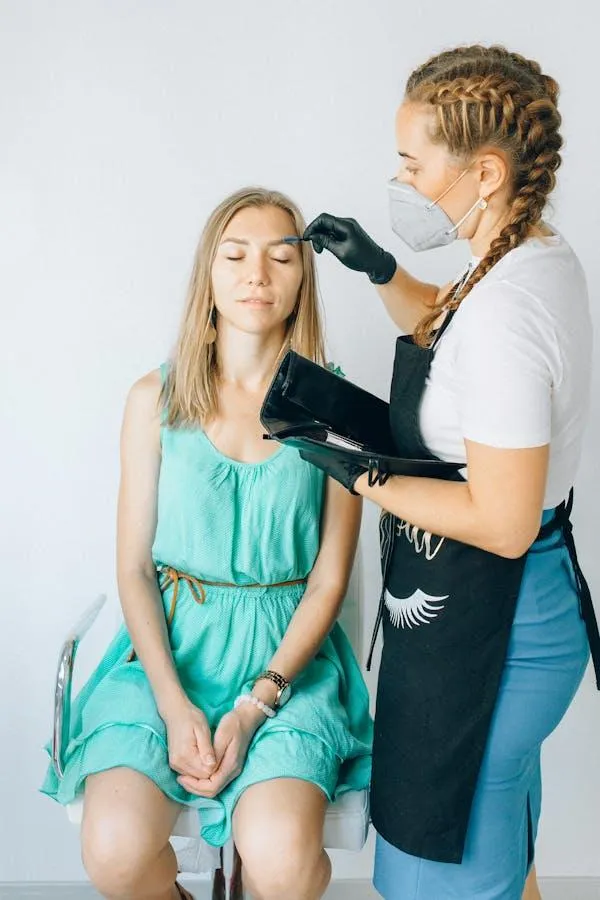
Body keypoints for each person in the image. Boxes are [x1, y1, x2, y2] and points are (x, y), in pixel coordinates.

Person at [299, 44, 599, 900]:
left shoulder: (508, 312)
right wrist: (380, 270)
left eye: (411, 161)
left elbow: (501, 519)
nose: (399, 180)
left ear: (486, 170)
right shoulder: (522, 255)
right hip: (499, 614)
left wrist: (361, 475)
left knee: (443, 873)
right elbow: (453, 324)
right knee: (500, 852)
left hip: (496, 630)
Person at [41, 187, 372, 900]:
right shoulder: (153, 400)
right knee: (116, 852)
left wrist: (257, 702)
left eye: (281, 257)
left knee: (283, 863)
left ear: (302, 279)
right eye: (236, 256)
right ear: (209, 274)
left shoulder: (336, 406)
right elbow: (132, 568)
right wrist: (171, 701)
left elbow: (328, 582)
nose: (257, 274)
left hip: (289, 663)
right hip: (167, 652)